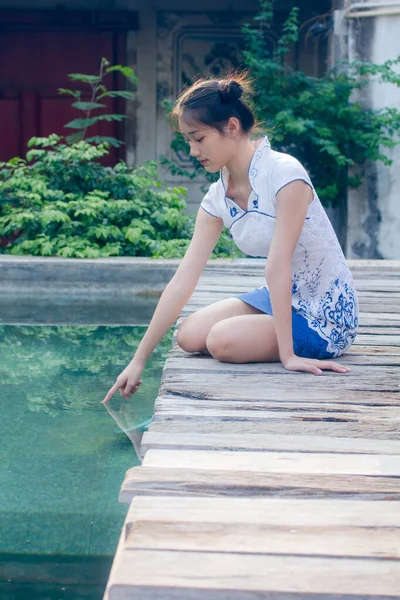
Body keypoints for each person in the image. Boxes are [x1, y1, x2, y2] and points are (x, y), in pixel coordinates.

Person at [102, 72, 359, 404]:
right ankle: (260, 334)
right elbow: (183, 280)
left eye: (199, 138)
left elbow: (277, 267)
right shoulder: (217, 197)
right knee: (189, 335)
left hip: (325, 312)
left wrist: (288, 356)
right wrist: (138, 361)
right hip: (280, 297)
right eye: (188, 141)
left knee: (221, 341)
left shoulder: (285, 174)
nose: (193, 151)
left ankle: (282, 341)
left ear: (232, 127)